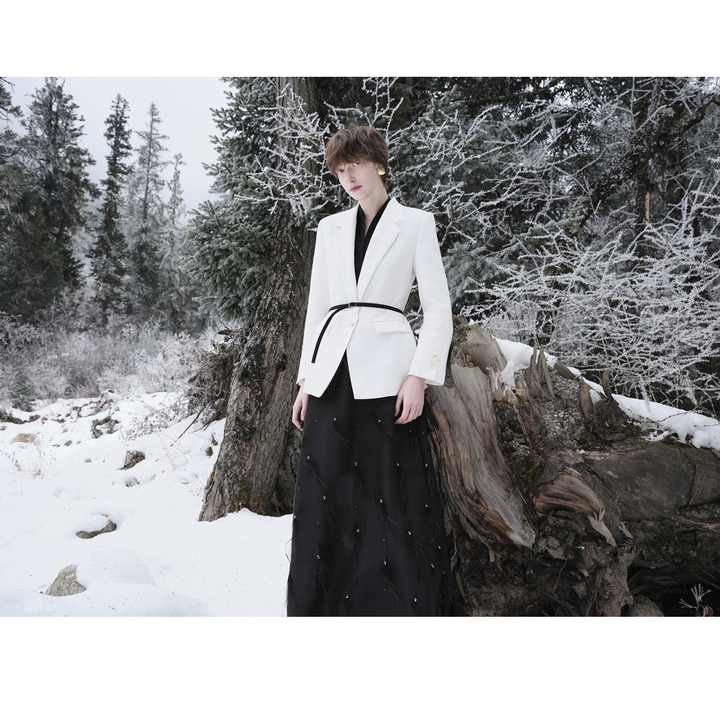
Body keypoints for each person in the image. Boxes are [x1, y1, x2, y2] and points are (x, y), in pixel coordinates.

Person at [285, 124, 462, 616]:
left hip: (388, 372)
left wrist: (419, 376)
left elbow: (438, 309)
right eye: (341, 170)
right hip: (331, 374)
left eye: (357, 165)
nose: (349, 177)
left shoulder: (416, 223)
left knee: (390, 496)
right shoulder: (330, 229)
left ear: (379, 164)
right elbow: (318, 309)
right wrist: (305, 380)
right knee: (325, 493)